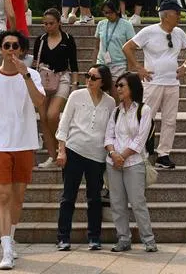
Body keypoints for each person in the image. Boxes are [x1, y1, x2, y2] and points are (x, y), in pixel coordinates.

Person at [0, 30, 45, 270]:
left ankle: (11, 239)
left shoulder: (32, 74)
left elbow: (40, 103)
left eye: (15, 46)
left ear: (22, 50)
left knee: (18, 197)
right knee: (3, 194)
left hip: (25, 141)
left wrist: (25, 76)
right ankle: (5, 250)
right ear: (1, 49)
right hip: (0, 143)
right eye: (7, 46)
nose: (11, 50)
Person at [122, 0, 186, 170]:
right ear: (166, 15)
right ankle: (139, 150)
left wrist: (184, 66)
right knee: (146, 117)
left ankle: (163, 154)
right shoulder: (149, 31)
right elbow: (127, 47)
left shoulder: (179, 32)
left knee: (170, 120)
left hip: (172, 82)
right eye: (176, 13)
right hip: (153, 81)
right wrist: (138, 68)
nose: (179, 16)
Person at [55, 64, 115, 251]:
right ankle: (63, 238)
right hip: (74, 150)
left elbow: (110, 131)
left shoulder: (110, 102)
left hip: (97, 156)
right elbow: (64, 125)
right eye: (87, 75)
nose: (88, 80)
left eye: (93, 77)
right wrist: (61, 150)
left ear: (102, 82)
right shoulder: (75, 96)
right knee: (68, 197)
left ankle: (94, 237)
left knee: (95, 198)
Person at [103, 72, 158, 252]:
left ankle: (148, 240)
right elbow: (108, 136)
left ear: (132, 88)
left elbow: (140, 140)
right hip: (113, 163)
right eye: (117, 86)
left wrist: (122, 156)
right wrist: (113, 154)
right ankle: (123, 239)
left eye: (122, 86)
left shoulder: (144, 110)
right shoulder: (116, 111)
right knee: (117, 203)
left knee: (137, 202)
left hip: (134, 162)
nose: (118, 89)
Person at [33, 8, 80, 168]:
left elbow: (73, 64)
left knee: (53, 115)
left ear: (59, 23)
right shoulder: (40, 40)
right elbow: (35, 63)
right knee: (44, 118)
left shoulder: (67, 39)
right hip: (43, 79)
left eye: (51, 23)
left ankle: (62, 147)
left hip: (63, 78)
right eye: (45, 23)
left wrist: (75, 85)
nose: (48, 26)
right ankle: (52, 156)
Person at [94, 0, 137, 85]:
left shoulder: (127, 25)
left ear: (117, 10)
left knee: (115, 93)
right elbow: (97, 46)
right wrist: (93, 65)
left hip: (119, 65)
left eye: (110, 12)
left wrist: (129, 68)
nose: (107, 15)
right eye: (105, 12)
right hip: (101, 63)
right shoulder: (101, 24)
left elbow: (131, 49)